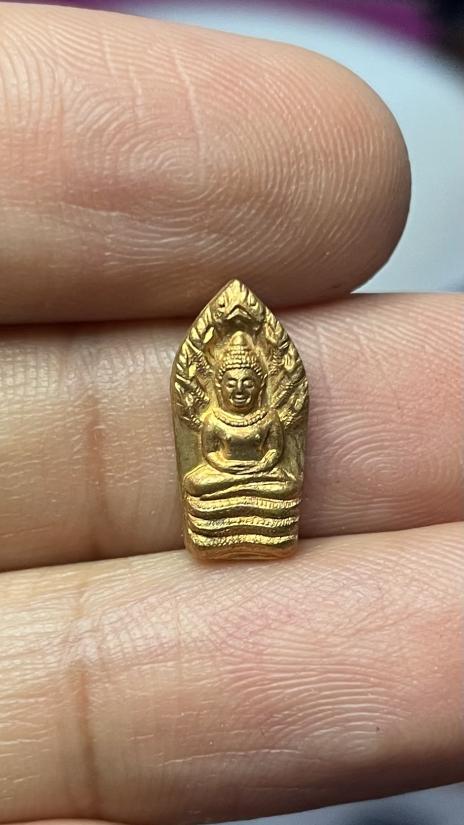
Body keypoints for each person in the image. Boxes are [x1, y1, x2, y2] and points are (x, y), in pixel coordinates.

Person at [0, 4, 461, 825]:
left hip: (265, 498)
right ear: (217, 379)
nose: (242, 389)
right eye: (233, 379)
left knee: (269, 489)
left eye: (251, 380)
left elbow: (278, 456)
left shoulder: (266, 406)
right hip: (217, 497)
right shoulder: (211, 410)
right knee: (214, 486)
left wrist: (262, 457)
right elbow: (208, 456)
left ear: (262, 381)